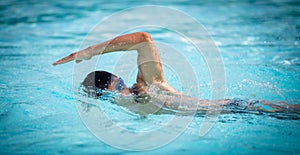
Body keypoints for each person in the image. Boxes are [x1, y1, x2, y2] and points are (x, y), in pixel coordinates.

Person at [53, 32, 300, 115]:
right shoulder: (130, 103)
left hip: (238, 108)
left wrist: (87, 51)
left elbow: (143, 39)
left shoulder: (147, 83)